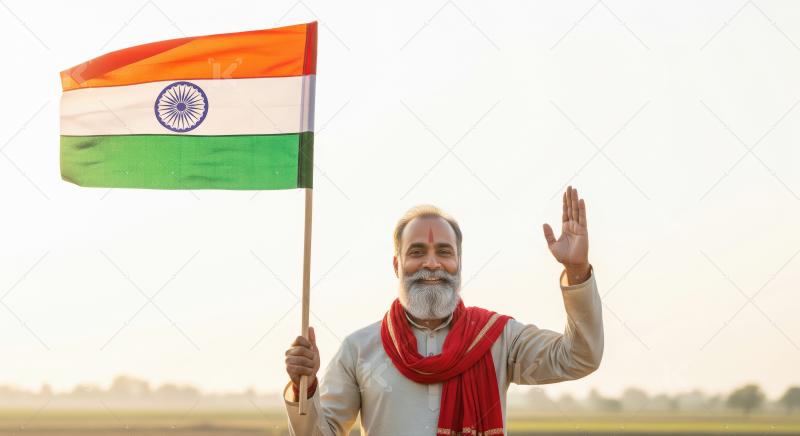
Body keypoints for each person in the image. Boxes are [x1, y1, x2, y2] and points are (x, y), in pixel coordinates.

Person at [283, 186, 603, 435]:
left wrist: (577, 272)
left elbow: (579, 358)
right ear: (397, 264)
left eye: (444, 252)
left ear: (458, 263)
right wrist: (305, 387)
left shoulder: (496, 338)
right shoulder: (359, 349)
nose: (432, 263)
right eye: (417, 252)